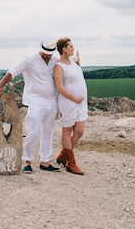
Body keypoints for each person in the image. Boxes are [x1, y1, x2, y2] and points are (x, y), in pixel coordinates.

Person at [0, 39, 61, 174]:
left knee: (48, 132)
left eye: (50, 53)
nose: (48, 56)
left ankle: (45, 162)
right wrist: (0, 85)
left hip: (51, 100)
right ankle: (27, 161)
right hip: (35, 100)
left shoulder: (55, 61)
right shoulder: (30, 60)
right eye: (46, 53)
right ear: (41, 50)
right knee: (33, 132)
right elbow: (13, 71)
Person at [53, 37, 88, 175]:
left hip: (81, 102)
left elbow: (78, 59)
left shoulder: (72, 61)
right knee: (67, 131)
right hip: (69, 102)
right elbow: (60, 88)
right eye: (71, 47)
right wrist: (74, 98)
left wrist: (77, 55)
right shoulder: (58, 66)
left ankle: (63, 155)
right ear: (64, 49)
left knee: (79, 131)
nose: (73, 49)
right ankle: (71, 164)